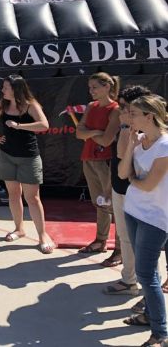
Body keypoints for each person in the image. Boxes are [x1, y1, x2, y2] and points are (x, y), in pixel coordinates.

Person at [0, 74, 55, 254]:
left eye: (5, 87)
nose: (2, 90)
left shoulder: (31, 105)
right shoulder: (3, 104)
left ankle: (42, 235)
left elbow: (44, 125)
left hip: (28, 157)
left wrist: (19, 126)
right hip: (7, 155)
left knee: (33, 198)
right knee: (13, 194)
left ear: (16, 89)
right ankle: (19, 228)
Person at [118, 95, 168, 347]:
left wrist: (133, 183)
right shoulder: (139, 141)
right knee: (149, 271)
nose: (129, 118)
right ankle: (149, 316)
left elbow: (147, 185)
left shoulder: (165, 146)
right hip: (134, 211)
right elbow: (122, 171)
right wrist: (130, 144)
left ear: (149, 116)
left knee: (146, 273)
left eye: (134, 113)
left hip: (156, 218)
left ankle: (161, 333)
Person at [103, 85, 150, 297]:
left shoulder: (148, 131)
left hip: (139, 193)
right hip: (120, 188)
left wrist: (124, 126)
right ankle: (129, 280)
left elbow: (123, 155)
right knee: (125, 237)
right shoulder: (128, 126)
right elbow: (118, 159)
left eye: (125, 107)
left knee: (144, 242)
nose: (120, 110)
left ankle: (148, 290)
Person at [75, 72, 120, 255]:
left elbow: (107, 140)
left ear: (107, 87)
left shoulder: (115, 109)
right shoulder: (91, 106)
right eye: (89, 87)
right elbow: (79, 133)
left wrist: (89, 132)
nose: (91, 91)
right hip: (89, 159)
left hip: (106, 162)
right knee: (98, 202)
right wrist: (95, 132)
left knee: (112, 204)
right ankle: (100, 241)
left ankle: (119, 248)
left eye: (94, 87)